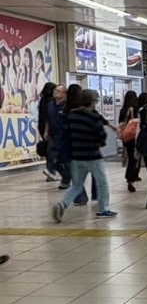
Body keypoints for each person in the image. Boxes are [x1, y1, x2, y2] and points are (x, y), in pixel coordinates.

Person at [52, 89, 117, 222]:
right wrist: (102, 141)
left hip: (76, 156)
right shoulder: (93, 117)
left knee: (77, 185)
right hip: (93, 156)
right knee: (102, 183)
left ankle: (63, 204)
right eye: (95, 101)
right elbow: (101, 136)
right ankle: (103, 209)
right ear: (92, 102)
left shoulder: (72, 115)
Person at [118, 90, 140, 192]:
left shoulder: (123, 110)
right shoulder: (135, 110)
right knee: (133, 158)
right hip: (133, 136)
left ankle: (130, 176)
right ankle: (130, 178)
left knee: (130, 157)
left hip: (125, 137)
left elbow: (120, 123)